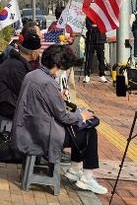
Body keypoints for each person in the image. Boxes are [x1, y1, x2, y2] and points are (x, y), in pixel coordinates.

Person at [12, 45, 106, 194]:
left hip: (28, 128)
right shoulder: (48, 82)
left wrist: (57, 98)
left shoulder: (32, 75)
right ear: (58, 64)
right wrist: (81, 116)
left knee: (81, 129)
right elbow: (62, 115)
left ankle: (75, 169)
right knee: (89, 131)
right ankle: (86, 177)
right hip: (42, 135)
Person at [0, 32, 41, 120]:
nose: (39, 54)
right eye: (38, 51)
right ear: (33, 53)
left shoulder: (17, 63)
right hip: (11, 111)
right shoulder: (17, 67)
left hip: (14, 108)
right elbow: (28, 93)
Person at [84, 17, 107, 83]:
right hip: (90, 39)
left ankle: (102, 74)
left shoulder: (102, 15)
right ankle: (87, 75)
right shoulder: (89, 16)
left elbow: (103, 26)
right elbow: (89, 26)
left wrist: (95, 26)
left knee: (101, 58)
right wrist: (96, 27)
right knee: (88, 58)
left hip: (100, 39)